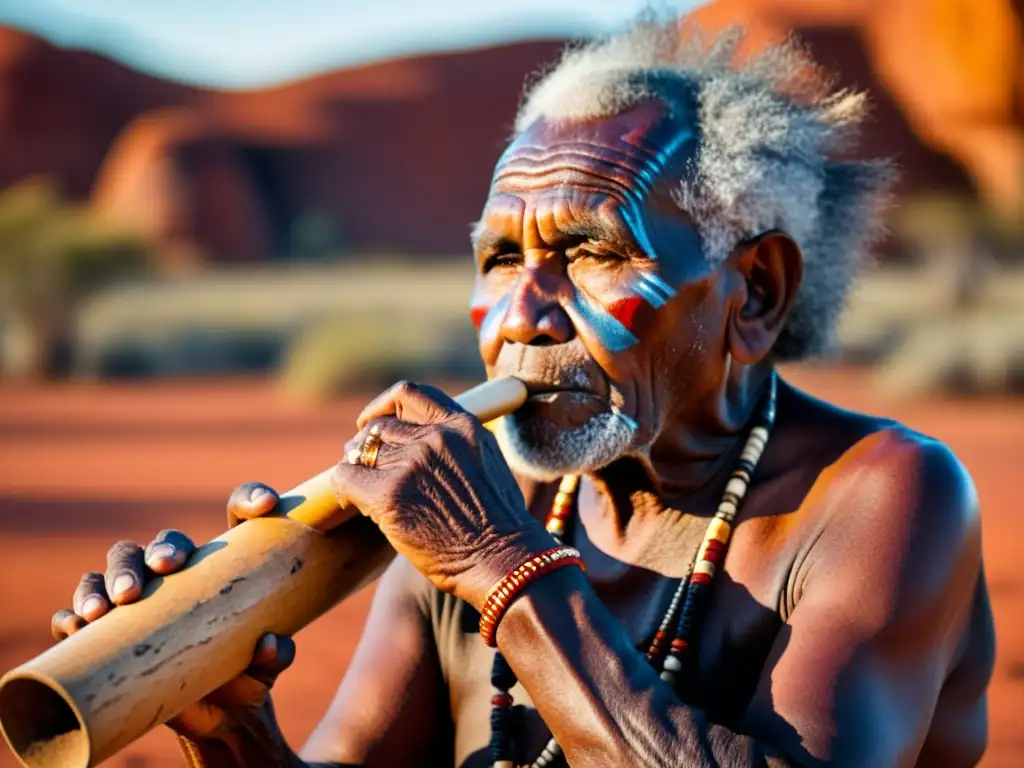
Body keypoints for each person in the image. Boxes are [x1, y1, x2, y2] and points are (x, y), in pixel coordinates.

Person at [50, 20, 995, 768]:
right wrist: (230, 729)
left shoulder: (887, 495)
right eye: (501, 259)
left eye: (590, 251)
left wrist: (496, 559)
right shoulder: (486, 504)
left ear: (755, 291)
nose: (524, 314)